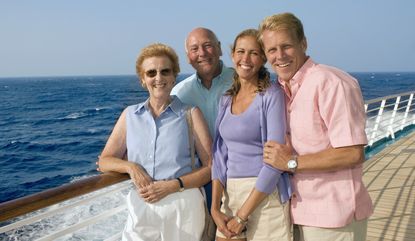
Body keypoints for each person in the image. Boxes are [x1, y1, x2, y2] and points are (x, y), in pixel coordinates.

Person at [259, 13, 373, 241]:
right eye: (272, 50)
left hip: (335, 218)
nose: (279, 56)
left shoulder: (332, 83)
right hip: (297, 213)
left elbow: (352, 152)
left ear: (303, 43)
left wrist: (290, 163)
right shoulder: (280, 88)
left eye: (286, 46)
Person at [98, 43, 212, 241]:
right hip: (141, 206)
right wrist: (131, 167)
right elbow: (104, 161)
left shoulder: (191, 114)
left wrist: (173, 185)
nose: (158, 78)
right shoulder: (130, 115)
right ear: (143, 79)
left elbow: (212, 166)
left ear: (174, 76)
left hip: (182, 205)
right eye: (151, 73)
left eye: (165, 71)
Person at [211, 29, 292, 241]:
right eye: (240, 51)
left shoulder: (272, 95)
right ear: (232, 55)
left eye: (254, 53)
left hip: (264, 195)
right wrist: (215, 207)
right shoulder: (226, 99)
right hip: (231, 194)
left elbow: (275, 161)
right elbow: (219, 158)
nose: (245, 59)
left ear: (263, 58)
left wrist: (242, 215)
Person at [171, 27, 234, 210]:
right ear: (188, 56)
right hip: (202, 181)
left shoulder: (242, 82)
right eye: (194, 49)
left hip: (241, 175)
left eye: (208, 45)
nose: (202, 53)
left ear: (220, 48)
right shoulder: (179, 93)